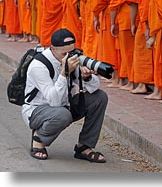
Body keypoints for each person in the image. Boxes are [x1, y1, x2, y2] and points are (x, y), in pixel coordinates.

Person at [22, 28, 108, 162]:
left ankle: (84, 147)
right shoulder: (38, 66)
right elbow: (54, 101)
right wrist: (64, 72)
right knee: (63, 114)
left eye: (72, 52)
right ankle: (38, 139)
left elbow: (95, 87)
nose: (69, 57)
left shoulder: (72, 58)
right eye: (64, 53)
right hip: (37, 110)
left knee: (99, 97)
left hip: (65, 105)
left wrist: (86, 78)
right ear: (52, 49)